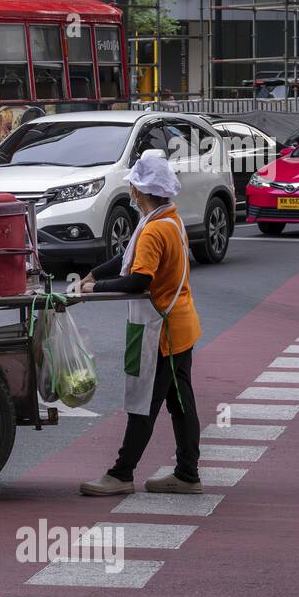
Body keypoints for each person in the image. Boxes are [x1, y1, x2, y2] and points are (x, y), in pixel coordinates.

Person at [78, 150, 203, 497]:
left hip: (162, 332)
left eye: (133, 187)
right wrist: (94, 274)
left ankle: (121, 474)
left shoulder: (153, 230)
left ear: (138, 191)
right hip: (178, 325)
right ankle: (187, 473)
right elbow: (126, 258)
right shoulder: (168, 219)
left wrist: (93, 288)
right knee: (179, 404)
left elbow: (138, 280)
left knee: (144, 404)